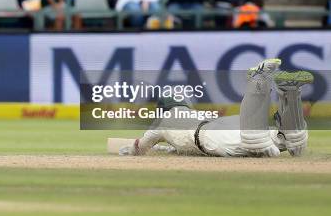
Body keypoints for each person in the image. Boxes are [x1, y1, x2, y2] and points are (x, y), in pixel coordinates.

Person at [119, 59, 312, 158]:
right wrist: (170, 148)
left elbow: (141, 147)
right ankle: (291, 94)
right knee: (287, 141)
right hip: (220, 126)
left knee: (257, 142)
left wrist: (129, 149)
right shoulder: (191, 113)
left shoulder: (160, 123)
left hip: (212, 138)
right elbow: (181, 144)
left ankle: (258, 79)